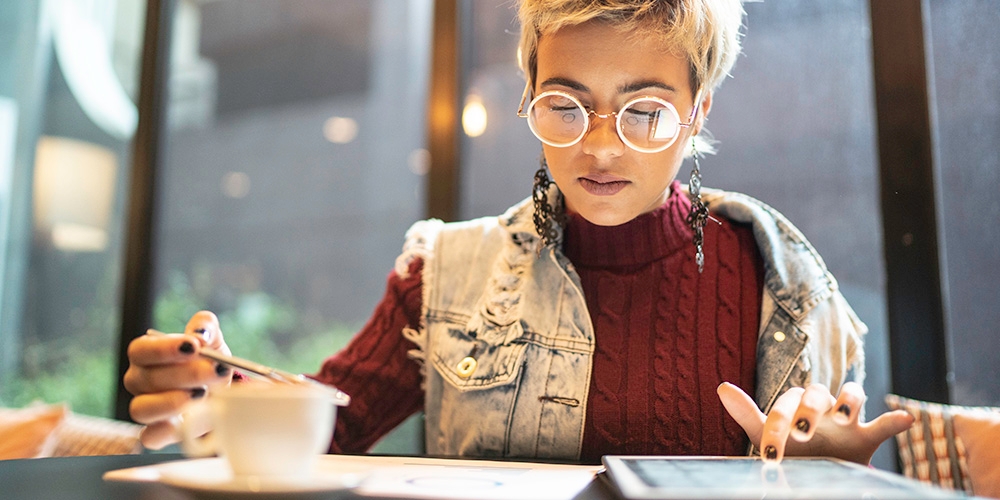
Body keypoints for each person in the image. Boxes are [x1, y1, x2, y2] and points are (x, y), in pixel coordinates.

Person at [124, 0, 913, 465]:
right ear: (529, 91)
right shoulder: (444, 272)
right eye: (566, 105)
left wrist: (831, 476)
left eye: (644, 111)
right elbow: (333, 424)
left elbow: (827, 453)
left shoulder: (788, 286)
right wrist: (222, 393)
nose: (600, 147)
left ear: (699, 110)